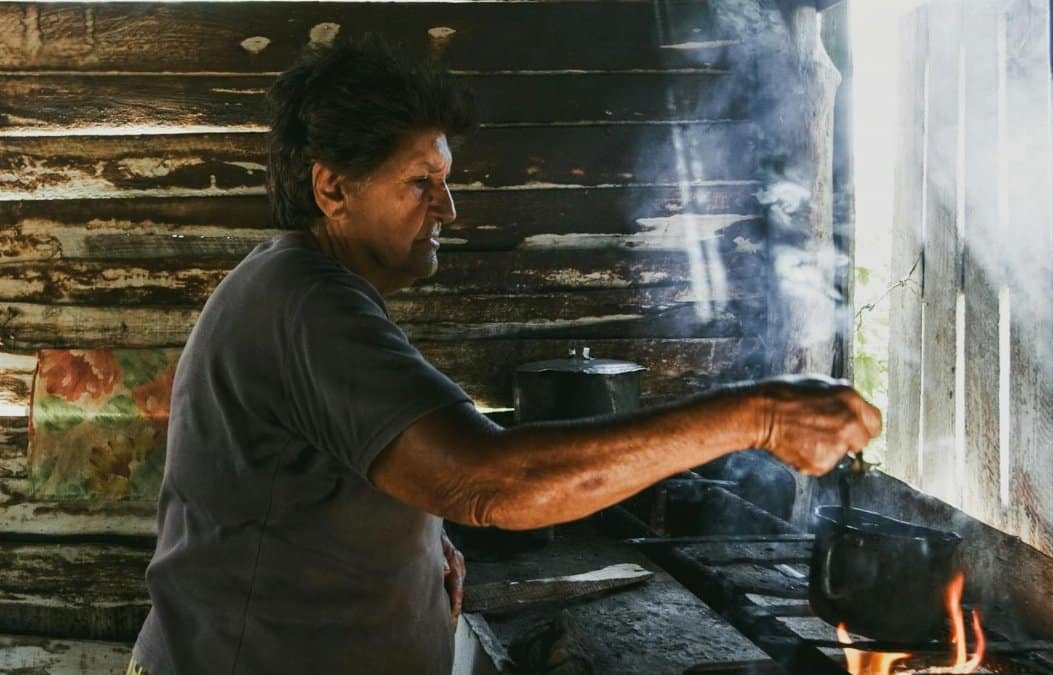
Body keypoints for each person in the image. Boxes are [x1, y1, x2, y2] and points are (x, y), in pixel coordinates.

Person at [129, 38, 881, 675]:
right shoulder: (307, 302)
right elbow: (493, 484)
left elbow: (340, 472)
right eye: (421, 183)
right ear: (331, 187)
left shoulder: (301, 285)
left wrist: (422, 541)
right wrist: (757, 413)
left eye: (445, 182)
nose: (447, 210)